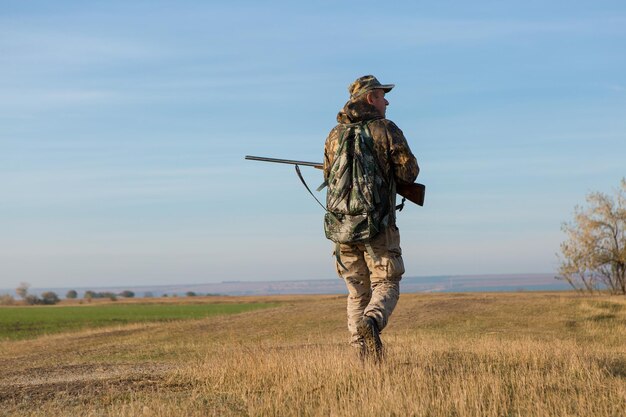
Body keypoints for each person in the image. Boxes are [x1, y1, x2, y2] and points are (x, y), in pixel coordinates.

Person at [323, 75, 419, 361]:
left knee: (356, 293)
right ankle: (373, 321)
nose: (386, 101)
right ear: (369, 98)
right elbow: (409, 173)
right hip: (377, 225)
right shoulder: (385, 128)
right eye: (382, 95)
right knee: (387, 283)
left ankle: (362, 358)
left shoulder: (334, 134)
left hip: (341, 228)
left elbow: (329, 176)